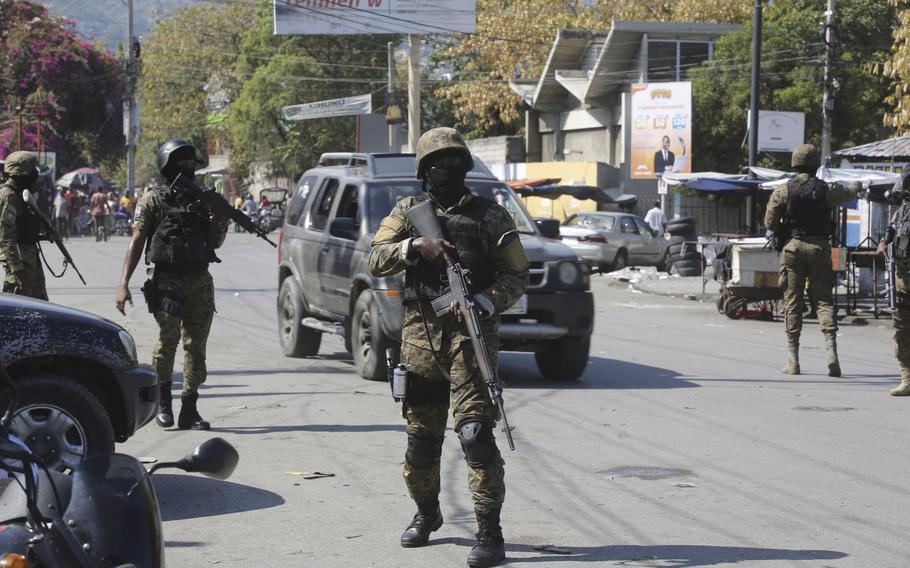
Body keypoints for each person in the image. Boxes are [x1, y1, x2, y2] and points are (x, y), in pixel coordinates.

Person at [369, 127, 530, 568]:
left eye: (457, 163)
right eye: (440, 164)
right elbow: (375, 256)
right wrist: (414, 246)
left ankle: (489, 532)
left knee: (476, 436)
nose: (449, 171)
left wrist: (483, 300)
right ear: (424, 171)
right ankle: (426, 513)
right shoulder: (407, 211)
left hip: (471, 340)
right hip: (420, 340)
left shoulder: (490, 216)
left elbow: (518, 275)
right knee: (421, 442)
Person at [115, 139, 229, 431]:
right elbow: (137, 241)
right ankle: (163, 403)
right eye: (182, 161)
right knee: (167, 344)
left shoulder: (205, 199)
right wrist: (123, 282)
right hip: (167, 281)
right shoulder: (154, 199)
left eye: (192, 161)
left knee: (197, 348)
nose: (189, 166)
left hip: (200, 281)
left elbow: (214, 243)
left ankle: (189, 408)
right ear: (168, 164)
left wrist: (220, 221)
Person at [764, 144, 856, 376]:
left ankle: (793, 360)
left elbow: (770, 223)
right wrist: (856, 185)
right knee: (824, 301)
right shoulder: (825, 189)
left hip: (793, 250)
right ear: (816, 164)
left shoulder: (783, 190)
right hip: (819, 248)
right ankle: (831, 354)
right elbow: (848, 193)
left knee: (793, 302)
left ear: (795, 163)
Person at [877, 173, 910, 395]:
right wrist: (882, 243)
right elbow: (890, 233)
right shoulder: (903, 211)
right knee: (902, 331)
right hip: (902, 282)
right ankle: (907, 379)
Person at [0, 152, 48, 300]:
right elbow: (5, 237)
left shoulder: (22, 193)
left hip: (31, 259)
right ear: (21, 172)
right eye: (32, 169)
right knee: (18, 313)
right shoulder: (8, 196)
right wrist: (18, 272)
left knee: (41, 308)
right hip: (20, 265)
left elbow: (24, 227)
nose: (35, 174)